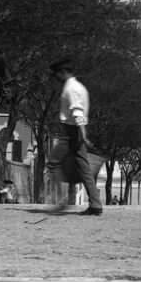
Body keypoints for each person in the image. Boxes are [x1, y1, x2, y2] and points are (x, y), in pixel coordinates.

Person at [50, 57, 104, 216]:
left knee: (53, 164)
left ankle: (61, 203)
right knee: (85, 170)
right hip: (76, 132)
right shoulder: (79, 86)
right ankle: (96, 205)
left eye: (57, 74)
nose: (56, 78)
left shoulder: (71, 89)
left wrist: (83, 135)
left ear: (63, 72)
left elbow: (77, 112)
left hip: (71, 132)